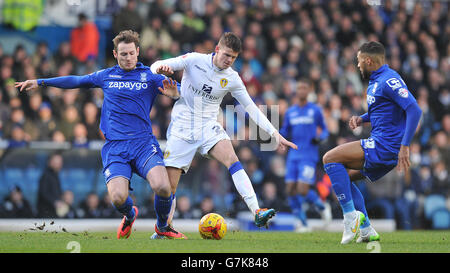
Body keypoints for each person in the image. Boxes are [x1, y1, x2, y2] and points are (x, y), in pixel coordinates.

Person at [15, 30, 186, 239]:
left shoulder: (150, 77)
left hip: (143, 144)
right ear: (115, 54)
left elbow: (182, 91)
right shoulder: (106, 75)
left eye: (131, 53)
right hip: (115, 147)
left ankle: (162, 227)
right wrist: (42, 82)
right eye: (123, 54)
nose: (128, 58)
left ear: (138, 51)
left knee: (162, 186)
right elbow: (76, 81)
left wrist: (176, 94)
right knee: (118, 198)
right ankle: (130, 215)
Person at [149, 32, 297, 238]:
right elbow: (156, 65)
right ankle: (163, 228)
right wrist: (161, 70)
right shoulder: (194, 60)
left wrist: (275, 133)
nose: (229, 60)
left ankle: (256, 211)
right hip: (182, 127)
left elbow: (251, 108)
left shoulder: (232, 78)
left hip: (209, 126)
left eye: (233, 57)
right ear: (217, 49)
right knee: (168, 187)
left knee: (233, 159)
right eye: (227, 55)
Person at [322, 41, 422, 244]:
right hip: (381, 144)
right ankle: (366, 228)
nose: (358, 66)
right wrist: (362, 118)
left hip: (386, 146)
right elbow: (383, 110)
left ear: (368, 60)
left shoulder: (390, 79)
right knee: (344, 177)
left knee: (329, 158)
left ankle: (350, 218)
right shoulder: (377, 81)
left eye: (359, 62)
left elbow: (414, 109)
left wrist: (405, 145)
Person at [279, 78, 332, 232]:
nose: (302, 91)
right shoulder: (290, 112)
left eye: (304, 88)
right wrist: (277, 136)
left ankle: (322, 207)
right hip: (293, 155)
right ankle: (302, 223)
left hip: (309, 155)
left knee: (302, 189)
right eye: (299, 88)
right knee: (290, 189)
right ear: (297, 91)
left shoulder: (315, 110)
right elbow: (285, 130)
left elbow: (326, 130)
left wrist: (320, 138)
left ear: (308, 91)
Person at [37, 152, 64, 218]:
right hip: (46, 212)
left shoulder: (55, 175)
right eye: (57, 162)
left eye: (60, 162)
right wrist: (55, 202)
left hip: (53, 211)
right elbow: (43, 192)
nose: (60, 164)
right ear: (50, 162)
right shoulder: (46, 175)